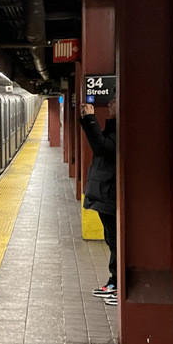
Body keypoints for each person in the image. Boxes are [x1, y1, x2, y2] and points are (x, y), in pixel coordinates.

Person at [79, 98, 117, 306]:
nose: (110, 103)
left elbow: (102, 148)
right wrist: (88, 120)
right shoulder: (115, 128)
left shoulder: (123, 129)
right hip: (105, 194)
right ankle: (114, 282)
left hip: (109, 194)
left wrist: (91, 120)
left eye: (115, 99)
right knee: (112, 240)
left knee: (116, 241)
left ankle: (118, 285)